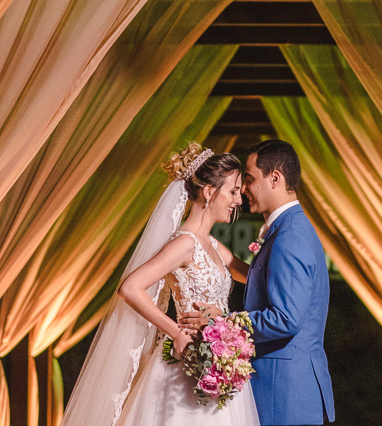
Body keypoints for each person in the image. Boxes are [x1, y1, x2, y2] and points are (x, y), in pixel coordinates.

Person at [60, 144, 260, 426]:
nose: (238, 200)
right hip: (186, 364)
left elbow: (251, 275)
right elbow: (130, 288)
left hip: (217, 363)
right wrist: (176, 332)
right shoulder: (184, 243)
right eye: (233, 191)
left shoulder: (214, 245)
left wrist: (270, 243)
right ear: (208, 192)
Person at [180, 139, 335, 426]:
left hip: (283, 393)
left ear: (275, 178)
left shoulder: (290, 237)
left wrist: (223, 323)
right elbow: (263, 279)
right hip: (288, 388)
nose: (243, 192)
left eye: (249, 180)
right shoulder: (289, 229)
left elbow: (286, 319)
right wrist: (212, 249)